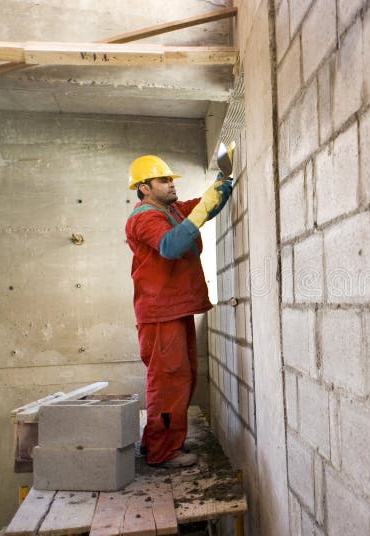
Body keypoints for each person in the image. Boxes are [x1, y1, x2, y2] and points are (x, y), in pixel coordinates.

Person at [125, 155, 232, 468]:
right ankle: (163, 452)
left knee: (181, 378)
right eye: (163, 180)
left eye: (171, 179)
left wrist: (222, 187)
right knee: (169, 381)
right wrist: (202, 207)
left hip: (175, 309)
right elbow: (171, 246)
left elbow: (199, 209)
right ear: (144, 188)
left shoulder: (168, 210)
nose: (171, 184)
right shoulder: (144, 218)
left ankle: (156, 444)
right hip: (160, 315)